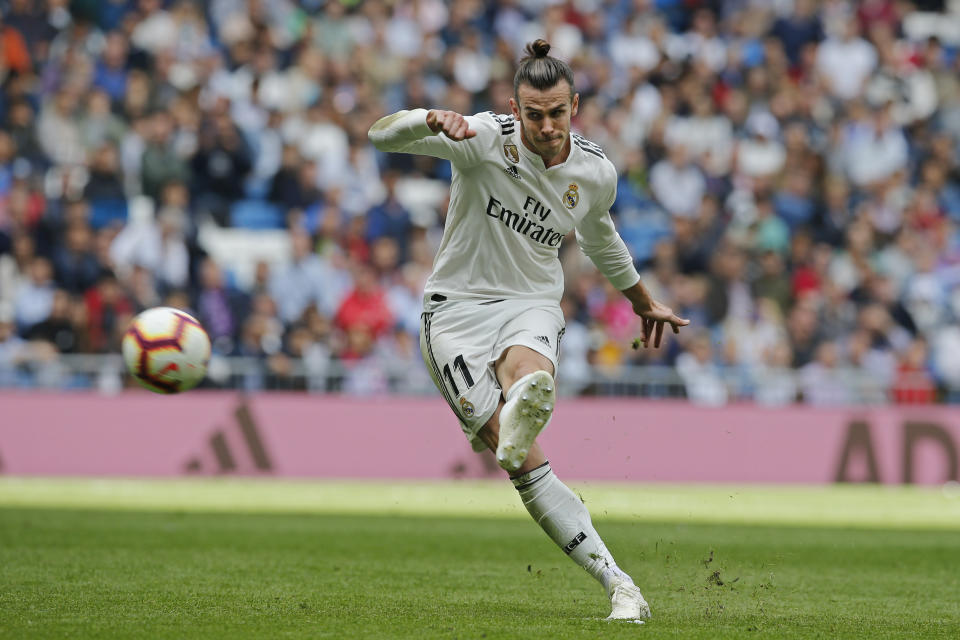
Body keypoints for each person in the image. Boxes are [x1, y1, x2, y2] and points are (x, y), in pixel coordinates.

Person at [368, 39, 689, 622]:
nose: (545, 126)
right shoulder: (483, 138)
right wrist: (427, 118)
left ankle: (622, 589)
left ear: (574, 107)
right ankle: (612, 573)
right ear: (514, 108)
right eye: (533, 114)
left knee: (529, 377)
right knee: (520, 462)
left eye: (556, 113)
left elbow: (600, 239)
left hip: (530, 302)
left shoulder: (594, 172)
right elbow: (379, 135)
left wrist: (643, 301)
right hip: (455, 315)